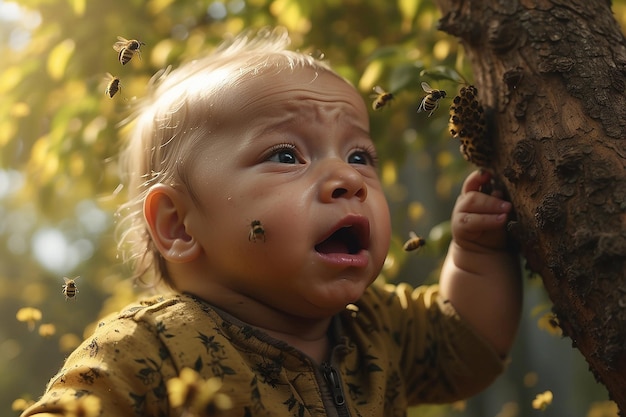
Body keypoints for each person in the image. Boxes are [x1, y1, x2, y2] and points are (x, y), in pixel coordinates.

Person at [21, 27, 522, 417]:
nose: (347, 178)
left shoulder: (375, 326)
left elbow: (469, 345)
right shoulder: (146, 350)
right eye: (286, 155)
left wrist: (478, 253)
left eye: (360, 155)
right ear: (178, 225)